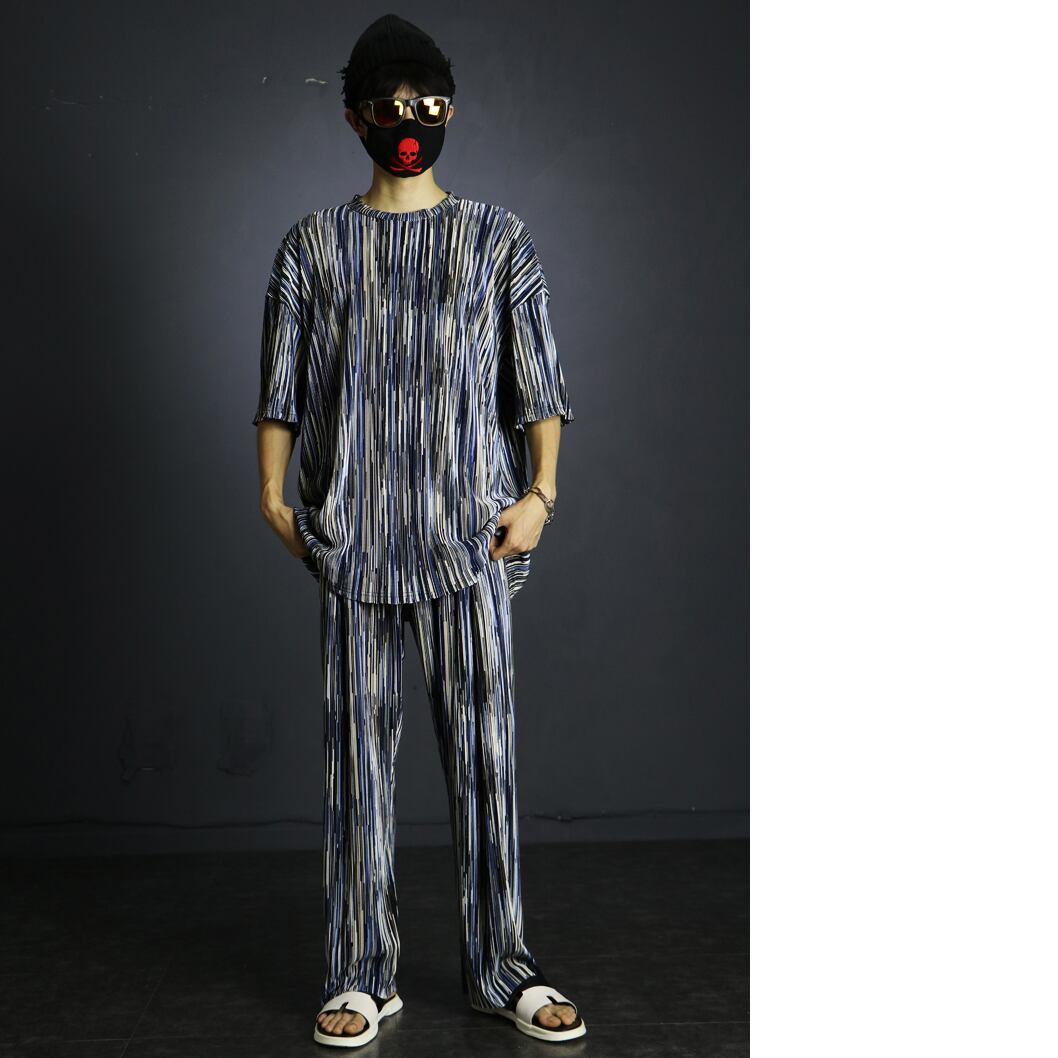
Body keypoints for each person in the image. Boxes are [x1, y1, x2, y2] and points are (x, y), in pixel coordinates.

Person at [252, 13, 586, 1048]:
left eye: (427, 103)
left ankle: (503, 966)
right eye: (389, 105)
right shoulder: (312, 246)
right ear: (354, 115)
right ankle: (361, 972)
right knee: (357, 769)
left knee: (487, 763)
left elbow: (536, 383)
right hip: (354, 543)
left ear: (450, 107)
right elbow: (281, 390)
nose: (410, 122)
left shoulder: (498, 240)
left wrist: (540, 495)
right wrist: (274, 499)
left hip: (468, 541)